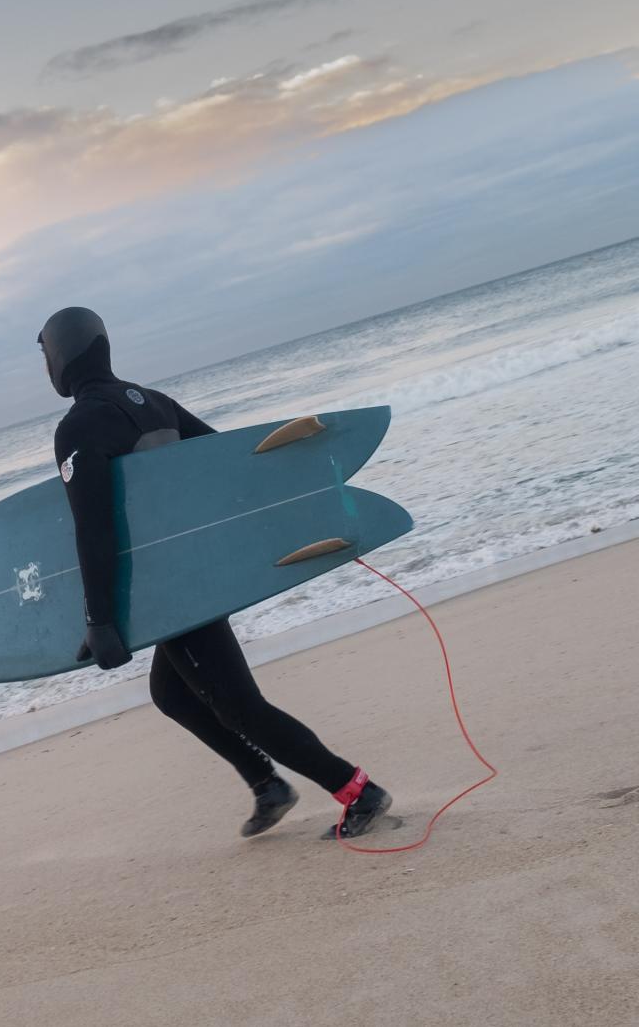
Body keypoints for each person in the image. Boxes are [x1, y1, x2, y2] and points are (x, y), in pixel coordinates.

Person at [38, 306, 392, 839]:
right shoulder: (153, 402)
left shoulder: (80, 427)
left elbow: (93, 528)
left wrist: (100, 619)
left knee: (241, 708)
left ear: (62, 354)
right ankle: (266, 784)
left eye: (44, 352)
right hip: (194, 576)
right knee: (173, 693)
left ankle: (358, 792)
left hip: (171, 589)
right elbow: (231, 467)